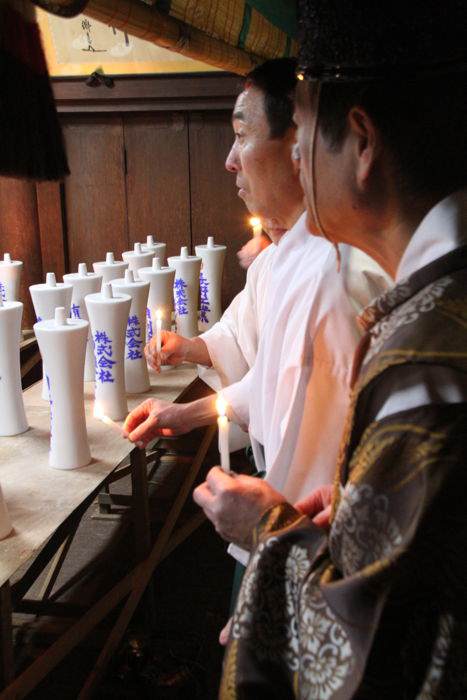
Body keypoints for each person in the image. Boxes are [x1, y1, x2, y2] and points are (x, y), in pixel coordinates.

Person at [193, 0, 467, 697]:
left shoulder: (429, 365)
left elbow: (374, 643)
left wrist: (270, 530)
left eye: (305, 131)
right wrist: (352, 506)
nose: (295, 157)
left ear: (362, 140)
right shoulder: (431, 306)